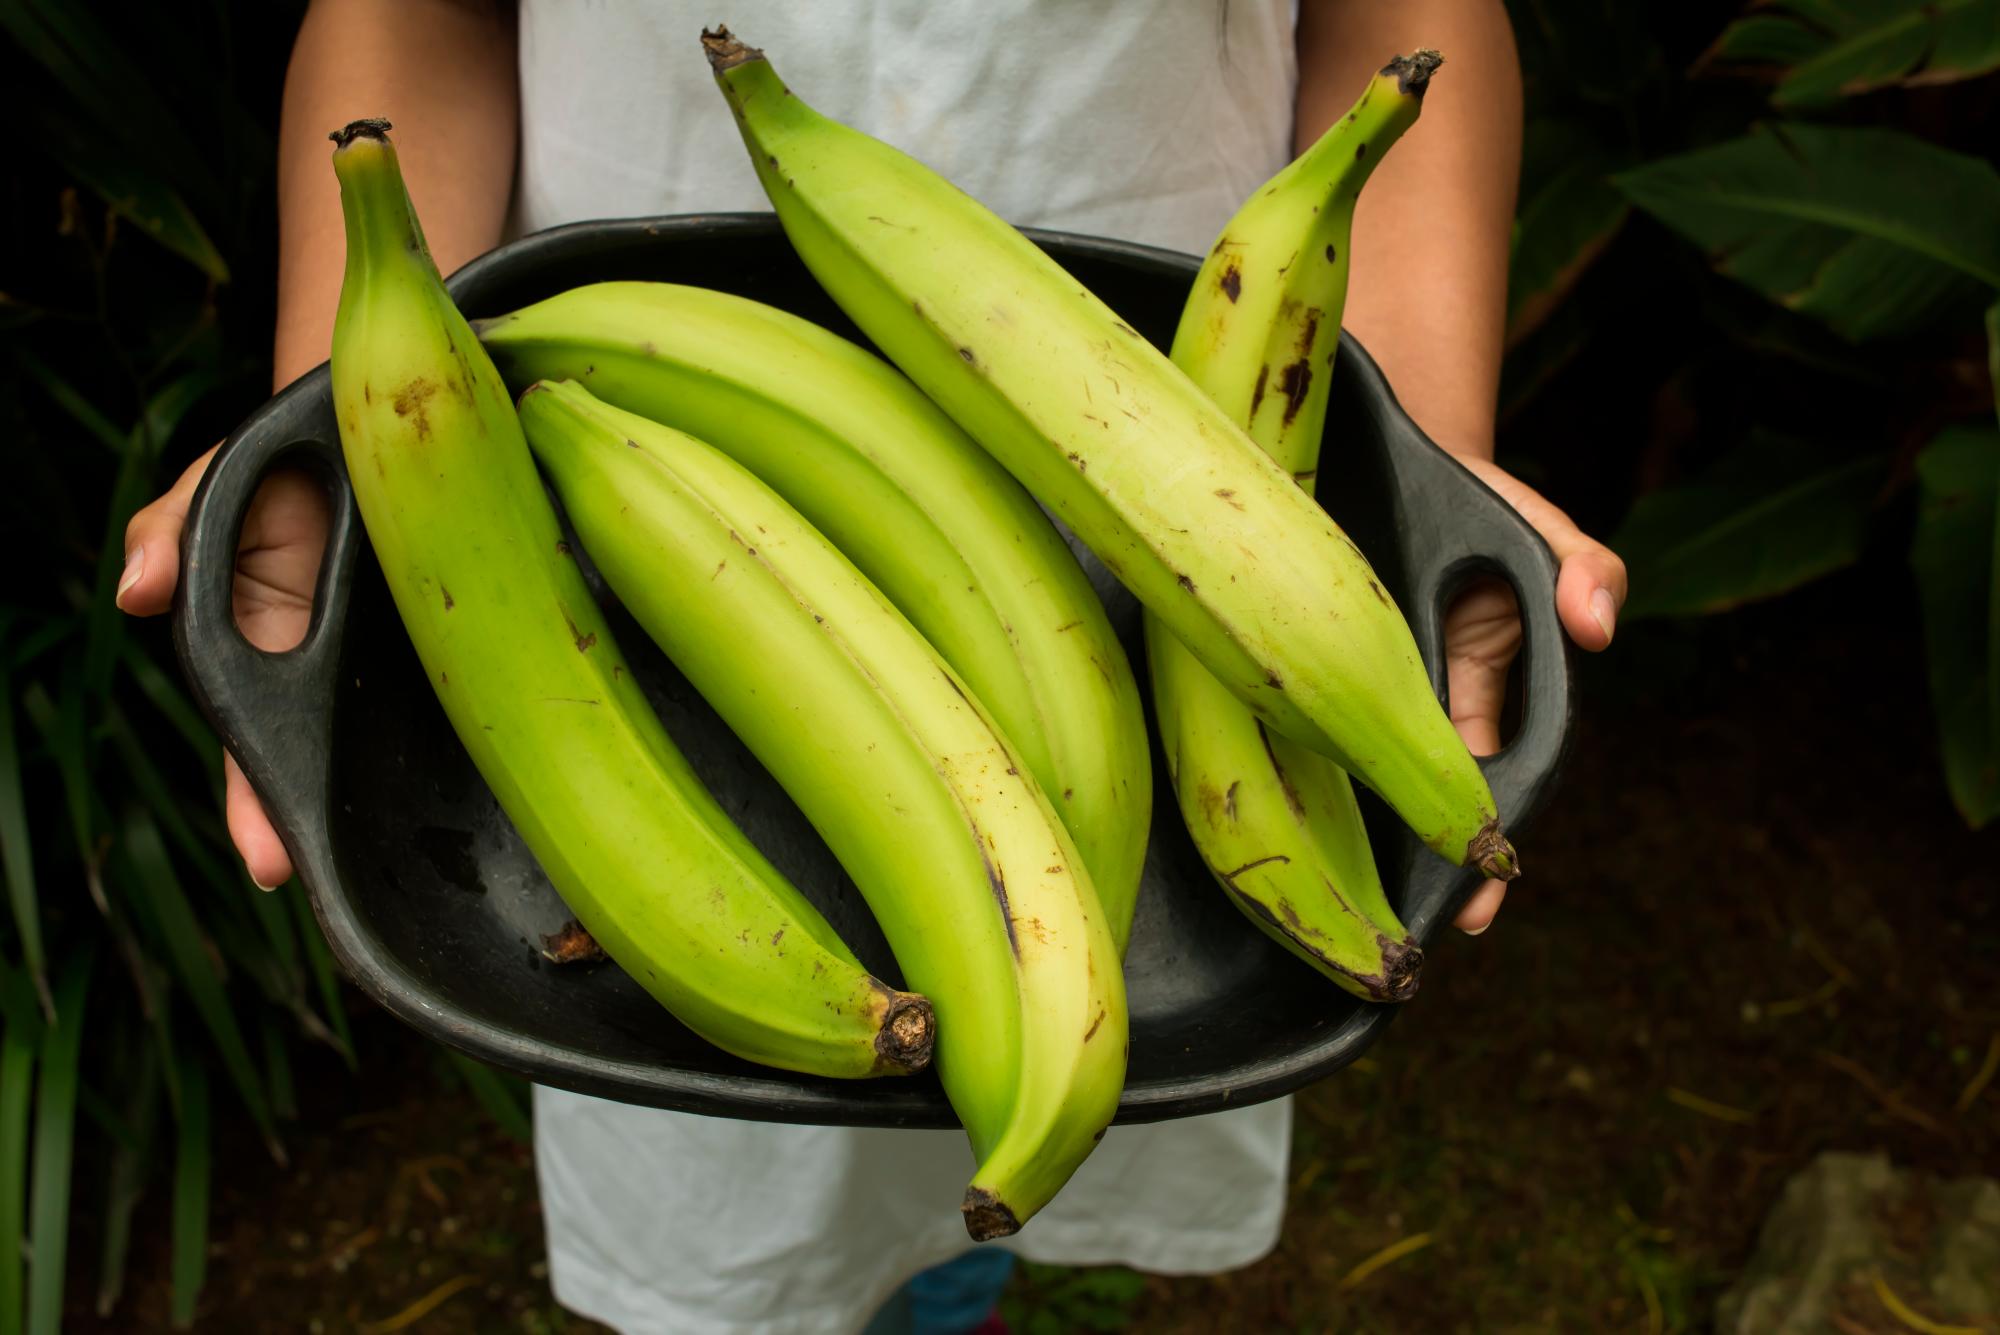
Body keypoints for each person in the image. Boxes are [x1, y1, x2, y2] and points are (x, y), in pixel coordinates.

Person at [115, 3, 1629, 1332]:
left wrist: (1419, 475)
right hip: (611, 416)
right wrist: (359, 413)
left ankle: (960, 1277)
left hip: (1168, 423)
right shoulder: (600, 430)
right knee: (752, 1163)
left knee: (1075, 1028)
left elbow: (1407, 17)